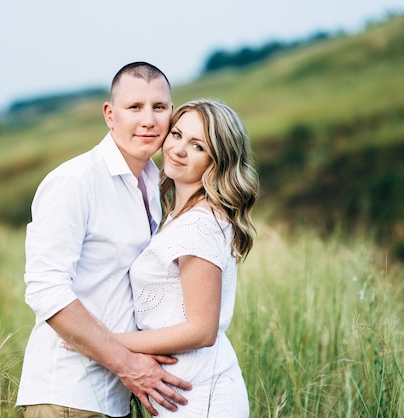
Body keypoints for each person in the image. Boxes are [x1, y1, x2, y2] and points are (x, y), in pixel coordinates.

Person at [16, 62, 192, 418]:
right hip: (67, 395)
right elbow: (45, 290)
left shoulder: (156, 183)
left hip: (116, 397)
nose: (149, 120)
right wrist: (128, 364)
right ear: (110, 115)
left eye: (159, 107)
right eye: (134, 107)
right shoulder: (75, 181)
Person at [99, 99, 259, 417]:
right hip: (182, 391)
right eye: (176, 134)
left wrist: (106, 343)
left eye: (198, 145)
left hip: (201, 397)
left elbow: (201, 330)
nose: (179, 149)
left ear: (218, 161)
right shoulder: (178, 215)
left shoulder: (199, 224)